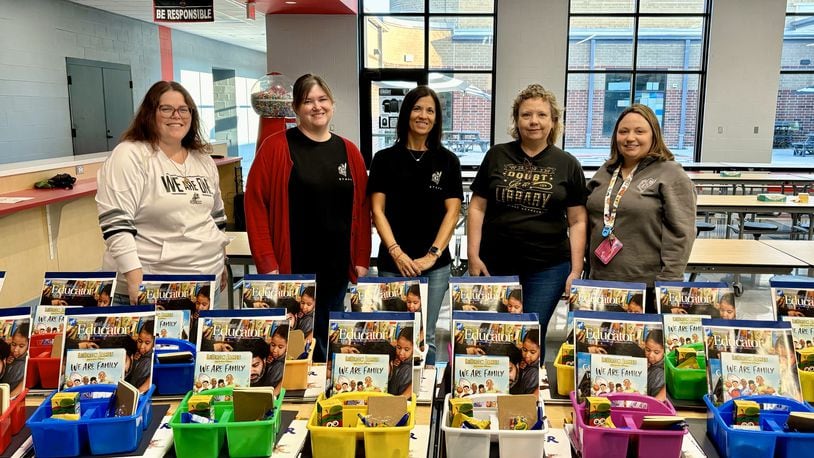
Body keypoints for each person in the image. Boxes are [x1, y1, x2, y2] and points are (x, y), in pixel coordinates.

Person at [245, 74, 371, 362]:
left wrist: (361, 258)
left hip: (336, 268)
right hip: (292, 268)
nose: (317, 107)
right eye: (308, 101)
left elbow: (362, 210)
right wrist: (267, 262)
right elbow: (255, 205)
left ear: (333, 104)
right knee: (293, 348)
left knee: (328, 345)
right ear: (296, 108)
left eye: (322, 99)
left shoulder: (349, 151)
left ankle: (324, 401)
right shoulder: (276, 148)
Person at [468, 84, 587, 352]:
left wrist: (576, 270)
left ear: (553, 121)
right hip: (495, 263)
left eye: (542, 115)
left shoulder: (568, 163)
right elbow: (476, 207)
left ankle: (528, 393)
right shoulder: (497, 155)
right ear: (516, 119)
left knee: (531, 335)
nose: (534, 121)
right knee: (494, 335)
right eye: (526, 115)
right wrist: (473, 256)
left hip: (548, 267)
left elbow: (577, 220)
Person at [96, 81, 229, 306]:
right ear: (150, 113)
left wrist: (222, 261)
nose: (176, 115)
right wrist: (134, 279)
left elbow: (216, 217)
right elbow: (116, 223)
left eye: (183, 109)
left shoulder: (203, 159)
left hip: (205, 285)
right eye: (166, 109)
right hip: (154, 288)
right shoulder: (130, 155)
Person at [367, 85, 463, 366]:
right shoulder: (384, 159)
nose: (423, 115)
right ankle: (395, 394)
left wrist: (431, 255)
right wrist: (397, 252)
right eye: (417, 108)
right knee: (394, 335)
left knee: (426, 335)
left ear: (436, 118)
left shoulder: (447, 160)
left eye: (430, 110)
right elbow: (377, 210)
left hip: (435, 266)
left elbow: (453, 211)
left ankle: (425, 402)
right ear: (407, 113)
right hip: (392, 263)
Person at [587, 104, 696, 312]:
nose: (630, 138)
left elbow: (682, 232)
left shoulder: (671, 173)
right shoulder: (605, 172)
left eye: (639, 131)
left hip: (647, 285)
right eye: (623, 131)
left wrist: (669, 283)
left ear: (654, 135)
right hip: (599, 280)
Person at [388, 327, 414, 397]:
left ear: (414, 349)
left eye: (406, 349)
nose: (401, 353)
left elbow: (393, 392)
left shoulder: (408, 369)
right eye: (398, 347)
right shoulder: (394, 357)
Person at [644, 329, 666, 400]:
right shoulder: (650, 363)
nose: (650, 355)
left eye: (656, 352)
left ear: (665, 351)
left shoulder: (660, 374)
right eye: (647, 350)